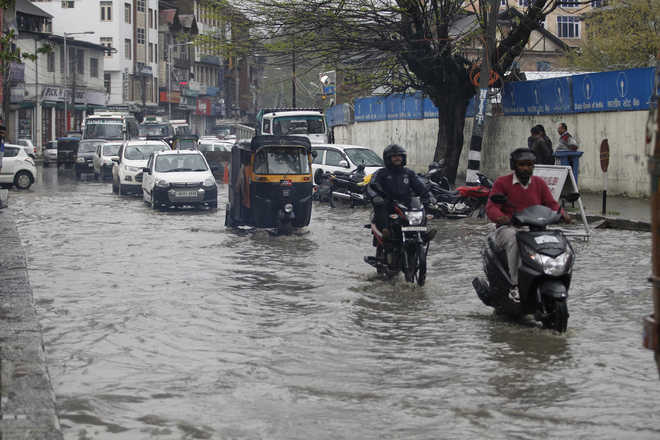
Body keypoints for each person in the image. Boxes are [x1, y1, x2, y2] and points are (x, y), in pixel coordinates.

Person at [485, 148, 571, 301]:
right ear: (514, 166)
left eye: (529, 165)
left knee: (558, 241)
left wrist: (562, 213)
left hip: (535, 229)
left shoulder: (539, 183)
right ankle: (515, 285)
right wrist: (501, 217)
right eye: (522, 164)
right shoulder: (502, 183)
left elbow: (551, 203)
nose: (526, 168)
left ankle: (553, 276)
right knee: (514, 239)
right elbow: (491, 207)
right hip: (508, 228)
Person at [366, 143, 434, 245]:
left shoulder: (409, 173)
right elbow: (371, 186)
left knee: (420, 209)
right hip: (388, 203)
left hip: (406, 204)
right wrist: (376, 197)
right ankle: (385, 231)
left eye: (400, 156)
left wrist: (429, 198)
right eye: (394, 156)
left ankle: (423, 232)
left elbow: (421, 187)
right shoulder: (381, 173)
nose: (398, 158)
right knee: (381, 206)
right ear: (388, 158)